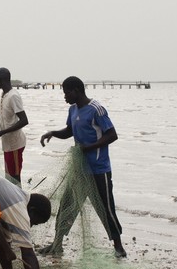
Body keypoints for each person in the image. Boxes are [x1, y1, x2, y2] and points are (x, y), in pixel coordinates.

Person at [40, 76, 126, 258]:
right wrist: (53, 133)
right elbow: (69, 131)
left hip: (98, 169)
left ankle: (118, 247)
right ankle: (57, 243)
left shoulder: (97, 109)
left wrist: (90, 147)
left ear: (76, 91)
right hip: (79, 169)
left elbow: (112, 135)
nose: (64, 97)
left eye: (66, 93)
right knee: (67, 205)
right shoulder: (73, 110)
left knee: (105, 207)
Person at [0, 67, 29, 185]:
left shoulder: (13, 96)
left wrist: (2, 132)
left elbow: (24, 120)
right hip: (7, 145)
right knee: (9, 176)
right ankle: (13, 200)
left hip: (15, 145)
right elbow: (4, 114)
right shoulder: (4, 94)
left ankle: (20, 202)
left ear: (1, 80)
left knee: (15, 177)